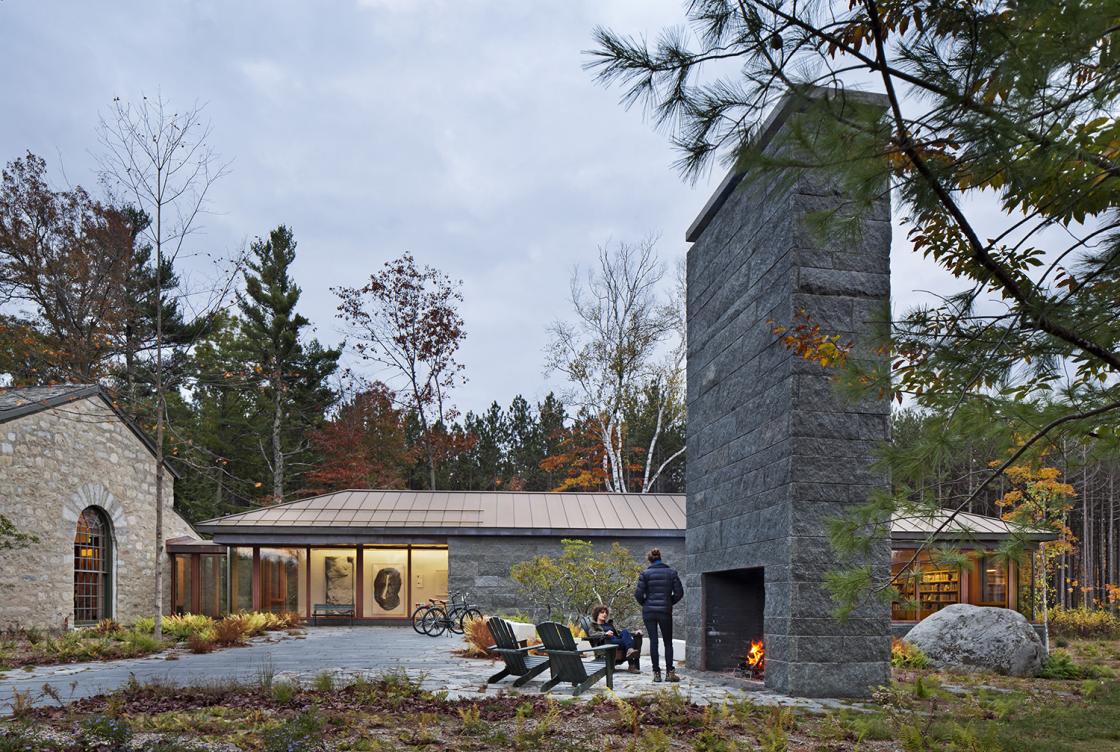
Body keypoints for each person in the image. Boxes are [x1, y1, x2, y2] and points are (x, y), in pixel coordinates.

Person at [634, 547, 684, 683]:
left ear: (650, 560)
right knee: (668, 642)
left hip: (649, 612)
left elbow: (638, 594)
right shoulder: (671, 573)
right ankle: (670, 673)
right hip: (665, 612)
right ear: (660, 558)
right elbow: (679, 593)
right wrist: (669, 602)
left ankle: (656, 674)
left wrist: (645, 603)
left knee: (654, 642)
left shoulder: (645, 574)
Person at [587, 604, 642, 673]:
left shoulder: (610, 624)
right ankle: (631, 665)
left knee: (625, 631)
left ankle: (630, 650)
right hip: (608, 642)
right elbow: (592, 634)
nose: (605, 614)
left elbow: (620, 632)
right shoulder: (594, 625)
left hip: (617, 641)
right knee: (630, 642)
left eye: (606, 613)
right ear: (597, 614)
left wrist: (635, 632)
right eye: (602, 612)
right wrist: (605, 634)